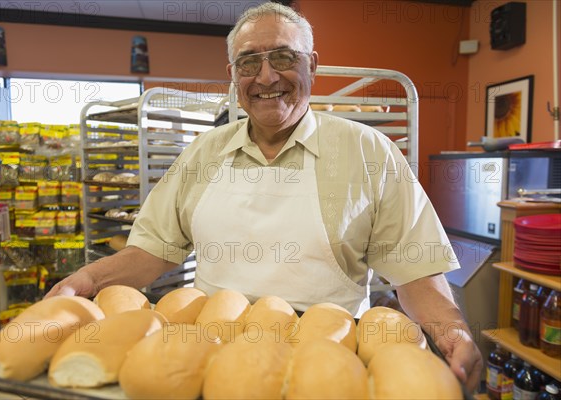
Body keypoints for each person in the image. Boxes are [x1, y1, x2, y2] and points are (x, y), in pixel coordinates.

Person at [46, 2, 482, 392]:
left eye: (283, 57)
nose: (267, 76)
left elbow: (416, 272)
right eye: (249, 62)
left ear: (311, 63)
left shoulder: (368, 152)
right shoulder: (203, 152)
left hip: (327, 359)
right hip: (210, 357)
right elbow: (153, 250)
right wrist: (89, 280)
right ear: (234, 76)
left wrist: (453, 335)